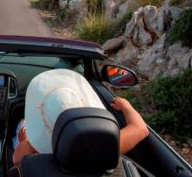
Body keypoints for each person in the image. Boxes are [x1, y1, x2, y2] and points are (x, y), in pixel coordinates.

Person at [13, 69, 149, 165]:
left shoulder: (32, 154)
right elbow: (140, 128)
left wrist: (25, 139)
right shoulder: (106, 147)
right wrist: (126, 106)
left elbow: (17, 159)